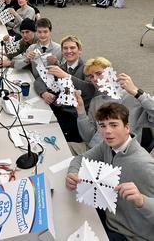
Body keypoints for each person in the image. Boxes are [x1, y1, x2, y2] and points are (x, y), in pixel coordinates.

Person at [66, 102, 154, 241]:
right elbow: (80, 159)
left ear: (127, 127)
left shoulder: (144, 165)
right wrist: (73, 173)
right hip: (110, 214)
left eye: (113, 125)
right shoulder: (107, 146)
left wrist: (142, 200)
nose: (107, 131)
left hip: (130, 234)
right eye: (102, 126)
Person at [75, 57, 154, 151]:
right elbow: (88, 138)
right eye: (91, 76)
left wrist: (137, 92)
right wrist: (81, 112)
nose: (95, 79)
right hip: (96, 150)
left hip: (120, 154)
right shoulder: (96, 101)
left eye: (99, 73)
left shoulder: (132, 97)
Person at [40, 36, 94, 143]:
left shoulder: (87, 68)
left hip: (74, 116)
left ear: (80, 51)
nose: (69, 51)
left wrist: (66, 76)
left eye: (72, 48)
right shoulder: (61, 66)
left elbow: (90, 90)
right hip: (60, 110)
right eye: (65, 48)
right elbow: (39, 81)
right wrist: (44, 93)